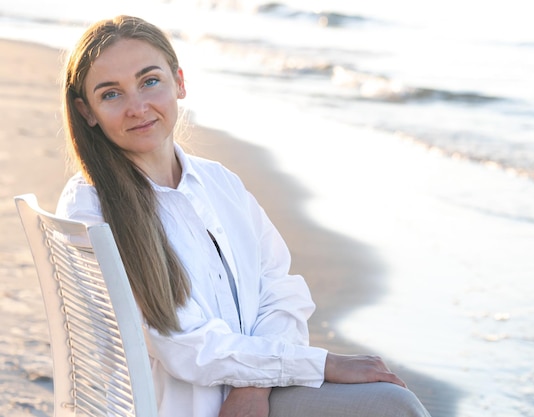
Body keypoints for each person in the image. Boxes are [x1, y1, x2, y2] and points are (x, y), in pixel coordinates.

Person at [56, 15, 431, 417]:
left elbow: (280, 291)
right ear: (87, 110)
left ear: (179, 82)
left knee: (390, 403)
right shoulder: (92, 207)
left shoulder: (220, 182)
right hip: (181, 407)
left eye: (150, 81)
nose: (138, 107)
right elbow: (183, 345)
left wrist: (254, 385)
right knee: (393, 406)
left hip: (253, 394)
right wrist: (324, 364)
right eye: (111, 94)